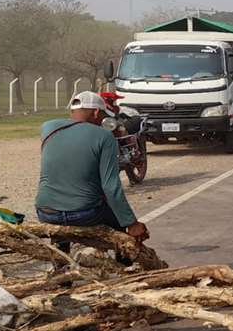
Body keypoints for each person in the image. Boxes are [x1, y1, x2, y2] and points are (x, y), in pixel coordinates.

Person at [36, 91, 149, 254]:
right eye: (103, 115)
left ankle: (62, 269)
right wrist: (132, 224)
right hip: (84, 214)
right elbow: (111, 188)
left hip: (46, 212)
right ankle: (125, 268)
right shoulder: (104, 136)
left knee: (60, 230)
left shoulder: (48, 128)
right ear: (96, 112)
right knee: (118, 223)